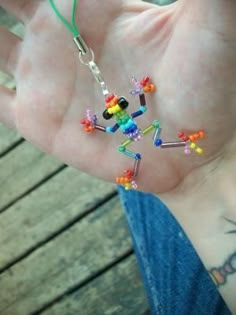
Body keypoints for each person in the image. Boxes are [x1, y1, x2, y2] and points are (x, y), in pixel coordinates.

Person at [0, 0, 235, 313]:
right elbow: (112, 130)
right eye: (113, 108)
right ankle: (151, 169)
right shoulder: (116, 119)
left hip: (150, 136)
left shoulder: (132, 111)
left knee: (158, 144)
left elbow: (138, 105)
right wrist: (95, 123)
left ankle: (181, 151)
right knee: (137, 157)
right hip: (135, 148)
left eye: (115, 106)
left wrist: (141, 90)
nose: (115, 107)